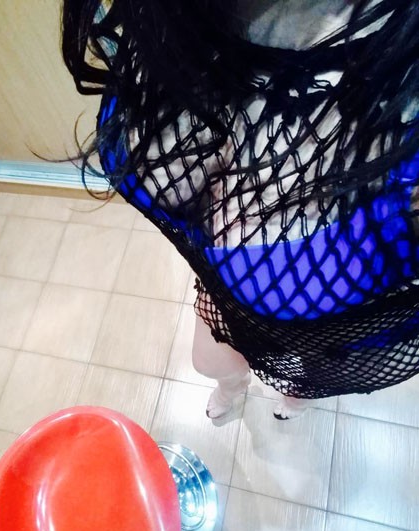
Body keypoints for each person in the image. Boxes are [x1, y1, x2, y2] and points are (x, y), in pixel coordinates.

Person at [62, 0, 419, 419]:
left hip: (338, 334)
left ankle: (295, 399)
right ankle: (234, 388)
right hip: (224, 297)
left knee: (302, 387)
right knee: (208, 363)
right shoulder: (165, 20)